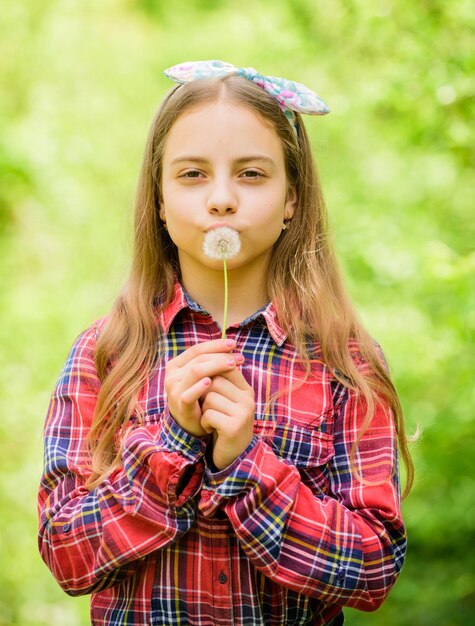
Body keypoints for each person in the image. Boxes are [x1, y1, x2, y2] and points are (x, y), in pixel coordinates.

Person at [37, 60, 414, 626]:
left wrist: (247, 464)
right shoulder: (106, 353)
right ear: (159, 202)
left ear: (293, 198)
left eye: (252, 175)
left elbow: (374, 568)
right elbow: (67, 557)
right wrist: (172, 442)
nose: (220, 199)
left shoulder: (345, 360)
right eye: (192, 174)